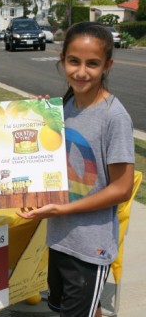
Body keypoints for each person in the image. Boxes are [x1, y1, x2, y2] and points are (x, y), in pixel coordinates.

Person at [17, 22, 134, 317]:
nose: (81, 72)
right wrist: (36, 118)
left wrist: (63, 211)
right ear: (62, 59)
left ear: (107, 65)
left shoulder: (114, 117)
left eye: (92, 64)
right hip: (59, 237)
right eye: (74, 61)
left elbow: (122, 188)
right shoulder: (64, 107)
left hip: (89, 247)